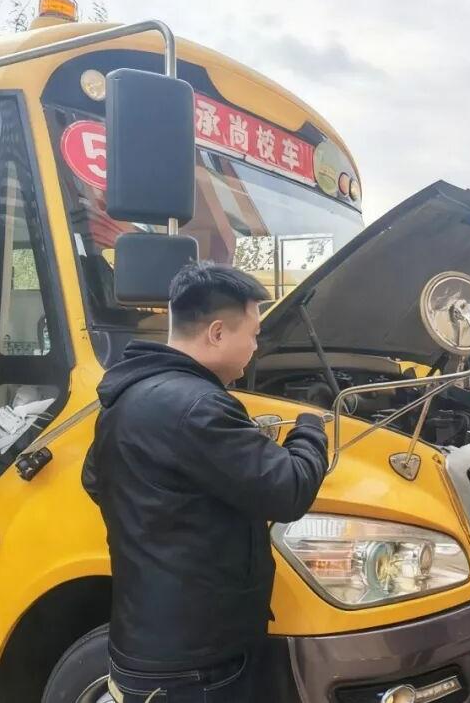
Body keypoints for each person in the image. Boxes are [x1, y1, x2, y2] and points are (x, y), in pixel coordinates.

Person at [83, 261, 329, 702]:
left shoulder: (126, 395)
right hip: (197, 664)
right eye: (252, 334)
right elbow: (289, 489)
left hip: (146, 640)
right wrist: (310, 428)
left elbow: (94, 480)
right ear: (216, 333)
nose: (255, 347)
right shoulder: (198, 406)